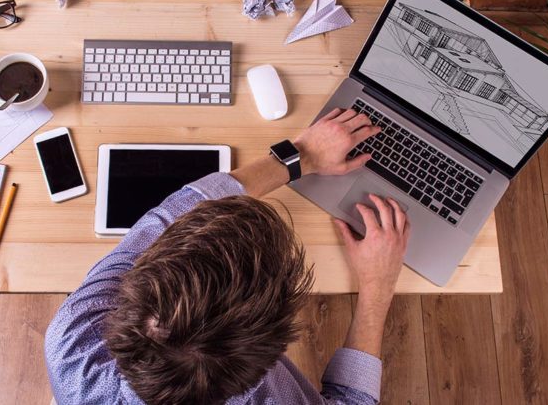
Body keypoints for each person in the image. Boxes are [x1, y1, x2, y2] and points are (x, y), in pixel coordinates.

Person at [45, 108, 412, 404]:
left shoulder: (75, 337)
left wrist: (301, 155)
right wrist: (377, 287)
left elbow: (173, 214)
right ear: (266, 363)